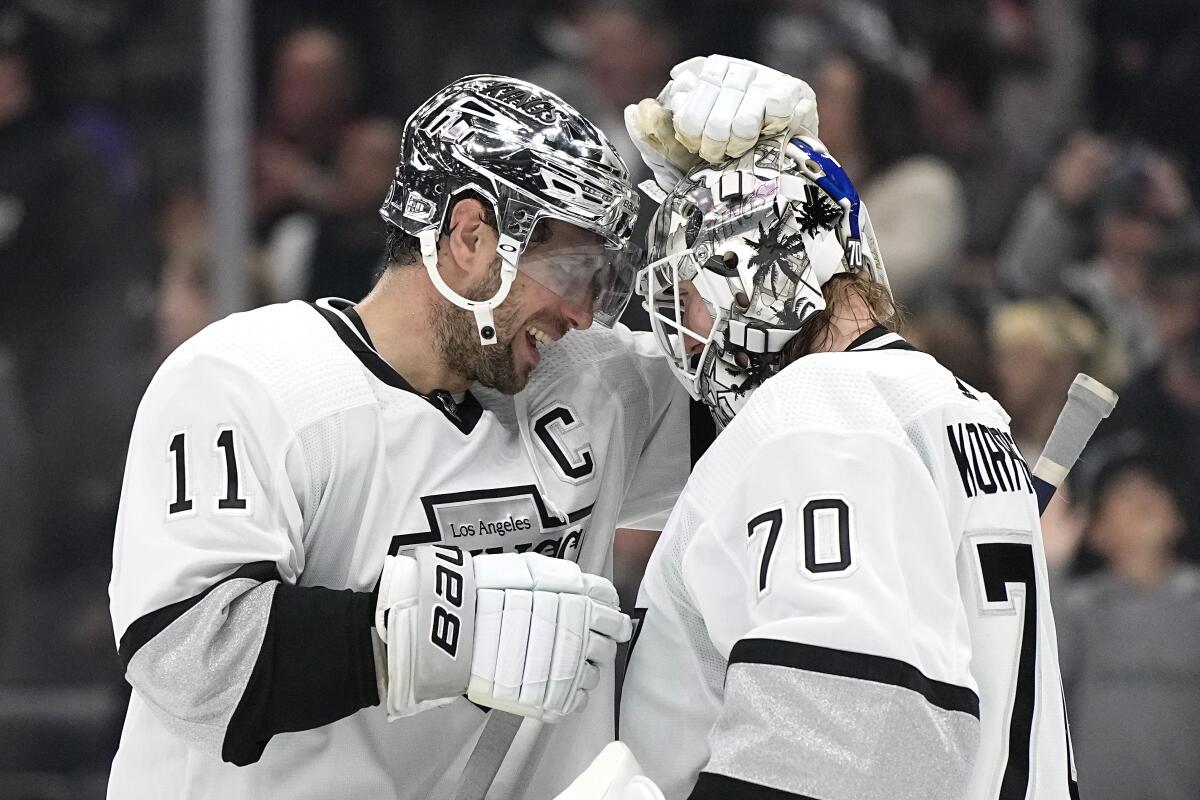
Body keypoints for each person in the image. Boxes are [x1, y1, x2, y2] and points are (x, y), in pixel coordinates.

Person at [107, 61, 819, 799]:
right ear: (472, 234)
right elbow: (194, 659)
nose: (584, 314)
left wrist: (777, 199)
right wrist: (454, 632)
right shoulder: (248, 380)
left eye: (603, 284)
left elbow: (801, 421)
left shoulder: (594, 384)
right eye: (575, 272)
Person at [609, 128, 1077, 798]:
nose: (683, 332)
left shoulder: (822, 405)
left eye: (686, 297)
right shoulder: (956, 406)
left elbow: (850, 735)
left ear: (748, 276)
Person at [1056, 452, 1200, 800]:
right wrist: (1053, 564)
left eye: (1153, 489)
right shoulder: (1076, 610)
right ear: (1097, 533)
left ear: (1178, 519)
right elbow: (1035, 682)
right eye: (1122, 493)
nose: (1142, 497)